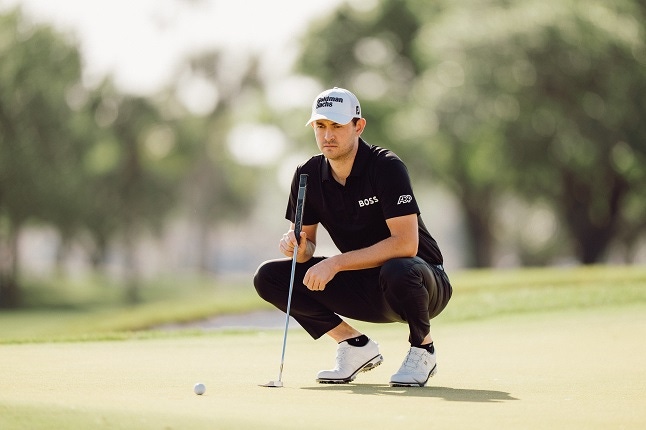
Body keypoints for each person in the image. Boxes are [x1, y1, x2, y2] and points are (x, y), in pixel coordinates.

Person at [254, 87, 452, 387]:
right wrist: (296, 245)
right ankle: (354, 345)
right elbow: (306, 247)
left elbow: (406, 244)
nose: (327, 135)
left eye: (336, 126)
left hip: (421, 282)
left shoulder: (386, 167)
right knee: (270, 276)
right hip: (365, 285)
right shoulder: (307, 175)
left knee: (398, 267)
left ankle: (423, 349)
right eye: (320, 126)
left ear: (358, 126)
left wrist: (334, 264)